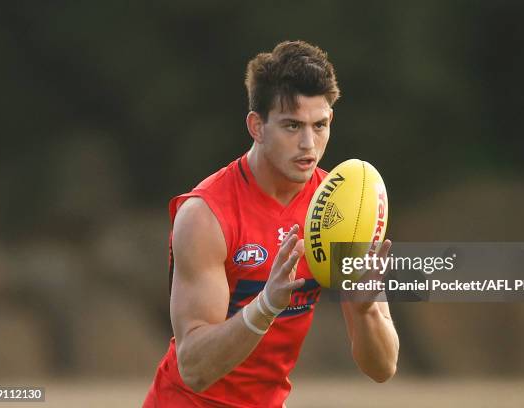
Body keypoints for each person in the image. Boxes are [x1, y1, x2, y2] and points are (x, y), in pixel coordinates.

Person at [143, 40, 399, 408]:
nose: (308, 144)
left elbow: (383, 368)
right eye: (292, 126)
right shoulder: (206, 215)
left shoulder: (344, 208)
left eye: (320, 125)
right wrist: (266, 306)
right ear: (257, 126)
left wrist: (367, 310)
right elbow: (194, 369)